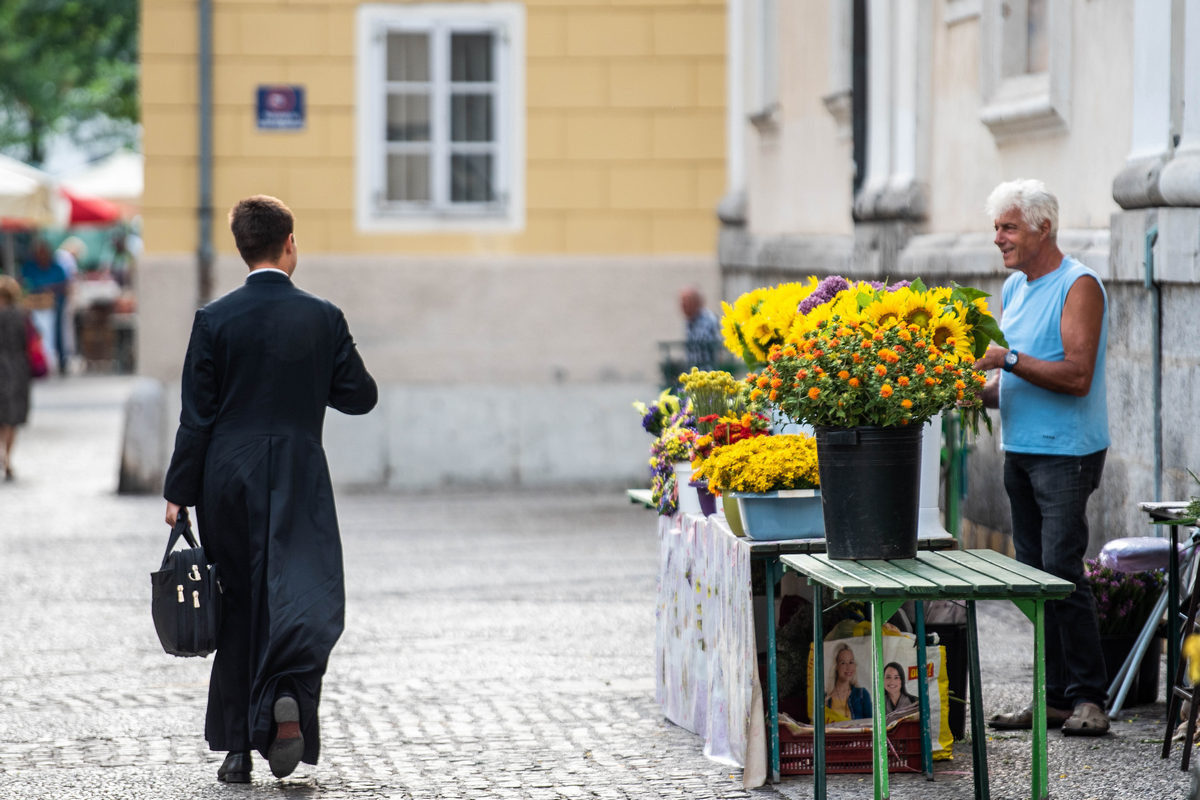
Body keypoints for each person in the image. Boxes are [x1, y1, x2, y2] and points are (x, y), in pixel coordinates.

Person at [162, 195, 378, 783]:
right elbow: (361, 396)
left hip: (226, 476)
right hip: (299, 473)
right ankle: (284, 703)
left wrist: (178, 490)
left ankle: (237, 748)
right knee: (306, 596)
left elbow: (196, 416)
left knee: (236, 602)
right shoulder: (322, 316)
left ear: (241, 250)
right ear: (290, 244)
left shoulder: (213, 319)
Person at [976, 179, 1110, 737]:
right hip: (1021, 451)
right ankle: (1051, 698)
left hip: (1066, 454)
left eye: (1008, 227)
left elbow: (1076, 377)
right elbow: (1017, 378)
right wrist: (966, 389)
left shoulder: (1078, 285)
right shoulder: (1016, 288)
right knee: (1032, 578)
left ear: (1042, 227)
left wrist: (1004, 359)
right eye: (997, 229)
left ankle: (1089, 698)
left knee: (1060, 571)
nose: (999, 239)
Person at [0, 276, 32, 481]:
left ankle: (3, 456)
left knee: (3, 417)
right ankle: (7, 457)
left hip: (4, 367)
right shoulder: (22, 315)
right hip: (19, 367)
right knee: (12, 418)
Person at [20, 240, 68, 375]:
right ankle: (38, 361)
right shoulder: (30, 267)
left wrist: (49, 289)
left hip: (53, 304)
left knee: (56, 332)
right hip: (33, 304)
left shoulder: (57, 267)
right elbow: (23, 281)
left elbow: (64, 285)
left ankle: (60, 360)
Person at [824, 642, 872, 722]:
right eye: (843, 663)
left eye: (851, 662)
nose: (848, 667)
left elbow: (871, 726)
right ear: (836, 666)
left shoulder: (862, 695)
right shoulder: (825, 698)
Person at [679, 286, 722, 370]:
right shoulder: (688, 321)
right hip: (693, 372)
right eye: (682, 301)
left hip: (709, 372)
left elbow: (718, 349)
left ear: (696, 302)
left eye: (686, 301)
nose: (682, 305)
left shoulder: (709, 319)